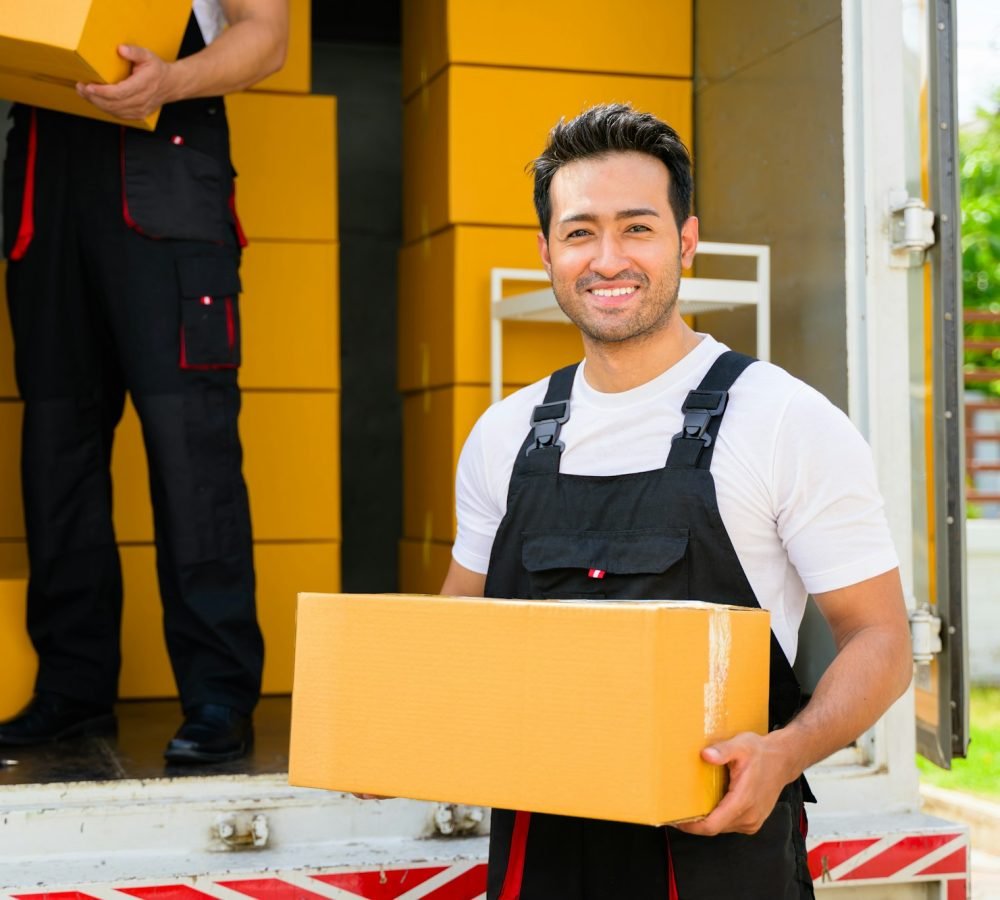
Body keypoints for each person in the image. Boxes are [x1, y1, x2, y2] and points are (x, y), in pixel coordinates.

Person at [439, 104, 913, 899]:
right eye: (580, 231)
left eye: (638, 228)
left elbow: (882, 640)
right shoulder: (505, 433)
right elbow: (457, 627)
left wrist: (786, 753)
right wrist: (389, 729)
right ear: (547, 250)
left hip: (716, 850)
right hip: (539, 852)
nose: (608, 258)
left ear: (686, 240)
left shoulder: (782, 420)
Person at [0, 0, 289, 764]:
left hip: (168, 188)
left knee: (193, 460)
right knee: (56, 458)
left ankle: (219, 693)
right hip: (46, 193)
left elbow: (267, 37)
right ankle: (73, 689)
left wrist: (173, 79)